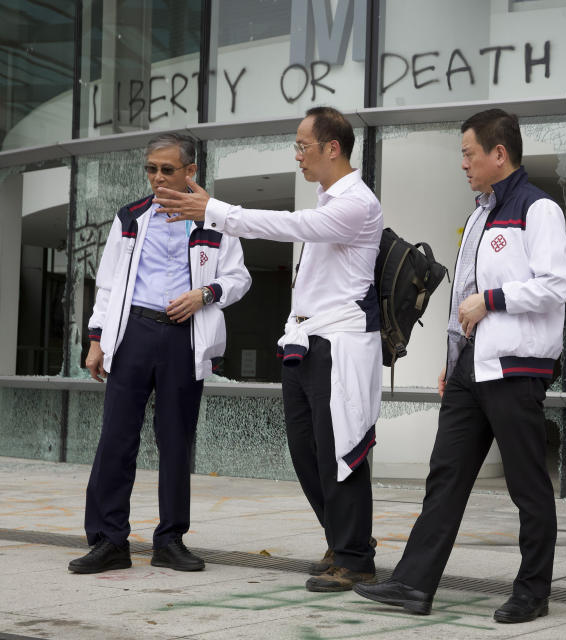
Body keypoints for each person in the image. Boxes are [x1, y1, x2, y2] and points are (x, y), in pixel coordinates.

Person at [352, 108, 566, 624]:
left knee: (526, 485)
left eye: (468, 153)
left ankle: (532, 590)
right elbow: (460, 302)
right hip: (472, 367)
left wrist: (492, 300)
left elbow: (556, 284)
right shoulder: (478, 214)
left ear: (499, 154)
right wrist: (453, 360)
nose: (464, 164)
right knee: (445, 477)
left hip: (517, 369)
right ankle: (412, 584)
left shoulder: (538, 210)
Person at [155, 106, 382, 593]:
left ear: (332, 148)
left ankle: (355, 556)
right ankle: (341, 540)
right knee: (307, 454)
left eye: (302, 146)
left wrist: (216, 212)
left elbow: (290, 226)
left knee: (340, 452)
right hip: (304, 341)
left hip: (339, 342)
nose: (296, 155)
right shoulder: (328, 202)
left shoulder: (356, 203)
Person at [69, 133, 251, 574]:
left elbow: (239, 278)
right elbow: (108, 282)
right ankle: (109, 540)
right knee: (115, 439)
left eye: (167, 170)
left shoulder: (214, 220)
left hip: (183, 338)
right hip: (132, 333)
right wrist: (97, 340)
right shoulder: (130, 216)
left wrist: (204, 295)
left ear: (191, 172)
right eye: (151, 169)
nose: (157, 178)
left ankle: (169, 541)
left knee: (175, 441)